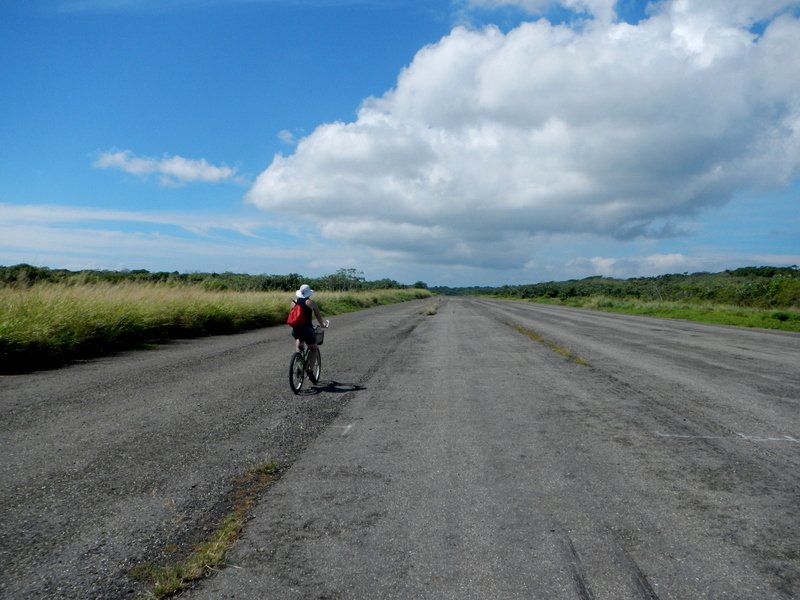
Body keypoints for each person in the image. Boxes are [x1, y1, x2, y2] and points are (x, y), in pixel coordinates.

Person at [290, 284, 328, 378]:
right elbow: (318, 316)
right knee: (313, 349)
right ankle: (310, 370)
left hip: (295, 329)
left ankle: (298, 361)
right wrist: (322, 325)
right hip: (307, 329)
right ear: (309, 293)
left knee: (298, 340)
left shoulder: (294, 302)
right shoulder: (311, 303)